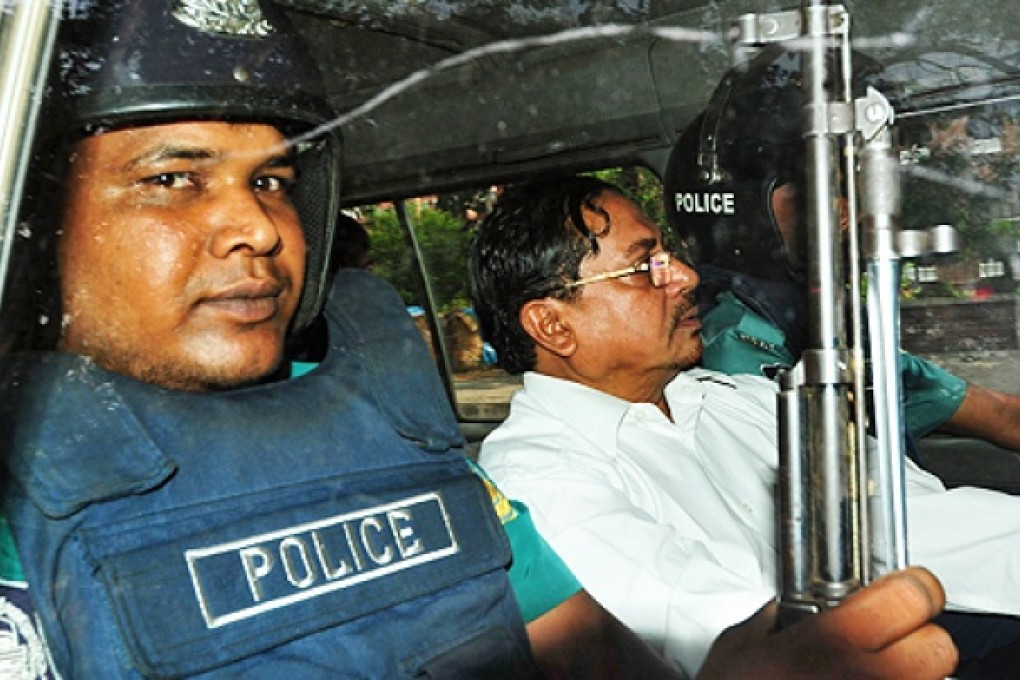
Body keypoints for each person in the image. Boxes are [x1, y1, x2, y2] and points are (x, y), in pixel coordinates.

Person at [0, 2, 956, 678]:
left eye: (273, 181)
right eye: (173, 179)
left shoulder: (389, 439)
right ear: (31, 219)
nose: (257, 227)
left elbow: (594, 661)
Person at [470, 175, 1020, 678]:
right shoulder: (533, 477)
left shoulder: (749, 402)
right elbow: (717, 625)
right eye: (646, 267)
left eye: (671, 255)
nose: (685, 277)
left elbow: (916, 521)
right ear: (552, 325)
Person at [664, 46, 1020, 453]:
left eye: (846, 184)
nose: (849, 210)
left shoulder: (829, 328)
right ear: (741, 208)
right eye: (816, 188)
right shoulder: (733, 351)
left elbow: (1002, 415)